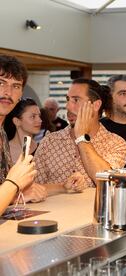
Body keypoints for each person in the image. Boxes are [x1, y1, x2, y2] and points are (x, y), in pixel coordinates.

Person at [34, 78, 126, 195]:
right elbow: (32, 188)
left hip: (93, 213)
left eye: (76, 100)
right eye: (68, 99)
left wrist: (82, 138)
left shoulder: (116, 143)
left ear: (96, 105)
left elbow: (107, 183)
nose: (68, 106)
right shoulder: (50, 141)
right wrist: (61, 187)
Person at [0, 55, 44, 213]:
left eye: (16, 86)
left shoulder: (2, 134)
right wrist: (14, 184)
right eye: (1, 83)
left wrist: (16, 194)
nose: (8, 92)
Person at [4, 98, 42, 163]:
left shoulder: (42, 149)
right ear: (17, 121)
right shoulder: (4, 151)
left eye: (39, 116)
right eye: (33, 116)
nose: (40, 120)